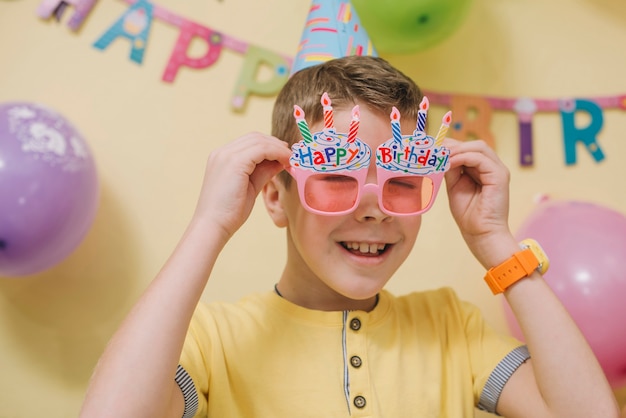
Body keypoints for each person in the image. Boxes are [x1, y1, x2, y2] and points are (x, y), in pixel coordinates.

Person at [80, 56, 619, 417]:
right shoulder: (212, 339)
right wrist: (208, 226)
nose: (373, 209)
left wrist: (495, 241)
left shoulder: (452, 327)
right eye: (336, 176)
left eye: (402, 181)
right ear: (275, 195)